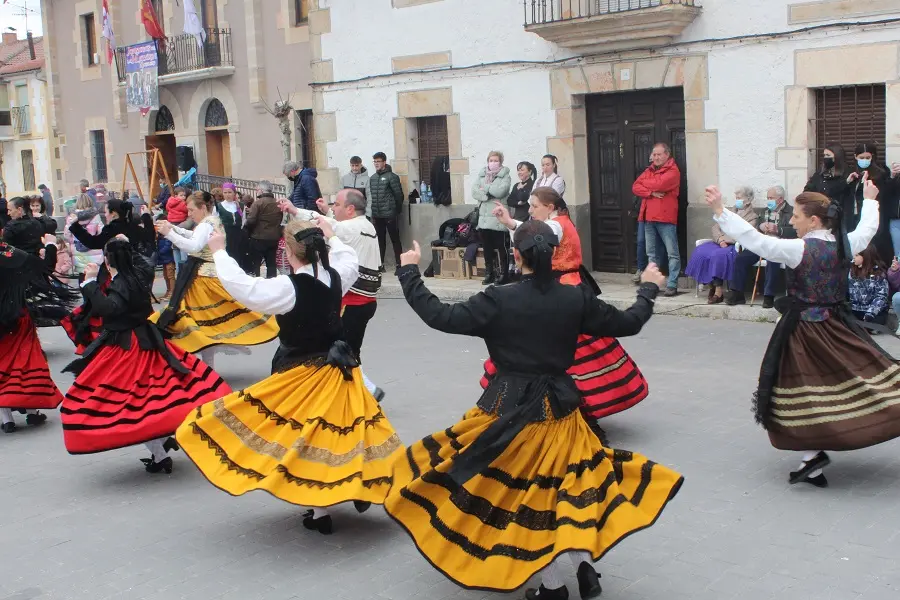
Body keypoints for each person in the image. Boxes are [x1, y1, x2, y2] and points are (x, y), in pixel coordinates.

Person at [385, 224, 683, 599]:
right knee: (565, 491)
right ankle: (584, 570)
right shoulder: (574, 298)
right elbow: (629, 322)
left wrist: (411, 271)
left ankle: (554, 588)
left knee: (531, 499)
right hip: (562, 411)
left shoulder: (498, 298)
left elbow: (440, 317)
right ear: (554, 254)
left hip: (510, 412)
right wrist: (649, 288)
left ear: (516, 255)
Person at [175, 219, 404, 534]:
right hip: (339, 371)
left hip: (302, 373)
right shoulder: (337, 275)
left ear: (287, 251)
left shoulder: (288, 287)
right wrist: (332, 235)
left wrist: (220, 253)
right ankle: (348, 491)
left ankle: (324, 508)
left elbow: (244, 289)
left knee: (305, 438)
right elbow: (349, 256)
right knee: (344, 433)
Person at [704, 175, 900, 487]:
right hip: (837, 327)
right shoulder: (844, 245)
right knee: (831, 386)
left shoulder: (798, 249)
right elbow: (867, 228)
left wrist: (720, 210)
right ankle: (813, 458)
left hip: (805, 334)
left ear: (813, 220)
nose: (792, 221)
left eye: (796, 216)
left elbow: (757, 242)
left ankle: (814, 455)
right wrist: (871, 199)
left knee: (802, 392)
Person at [60, 237, 231, 472]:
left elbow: (109, 308)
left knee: (131, 404)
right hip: (145, 339)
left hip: (128, 347)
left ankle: (160, 453)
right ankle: (162, 443)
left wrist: (89, 283)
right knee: (150, 397)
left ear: (109, 262)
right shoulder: (138, 275)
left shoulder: (121, 282)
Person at [492, 188, 650, 432]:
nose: (532, 210)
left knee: (568, 352)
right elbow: (533, 233)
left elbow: (536, 236)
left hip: (564, 289)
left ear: (550, 207)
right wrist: (511, 222)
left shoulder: (555, 225)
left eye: (535, 206)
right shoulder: (560, 222)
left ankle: (567, 404)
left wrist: (512, 223)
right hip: (569, 287)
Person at [152, 191, 280, 366]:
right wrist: (173, 228)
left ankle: (220, 351)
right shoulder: (210, 221)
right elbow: (194, 237)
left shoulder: (206, 224)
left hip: (204, 278)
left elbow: (193, 245)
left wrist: (169, 233)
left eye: (191, 210)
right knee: (208, 320)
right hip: (205, 275)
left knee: (203, 321)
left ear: (203, 207)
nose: (189, 214)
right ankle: (222, 350)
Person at [282, 191, 386, 401]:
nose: (333, 208)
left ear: (350, 209)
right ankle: (362, 391)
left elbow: (326, 224)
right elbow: (333, 221)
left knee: (340, 349)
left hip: (354, 301)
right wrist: (327, 212)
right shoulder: (365, 224)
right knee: (344, 347)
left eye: (336, 204)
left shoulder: (347, 228)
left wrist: (296, 211)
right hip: (364, 301)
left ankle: (365, 392)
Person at [0, 237, 77, 433]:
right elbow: (43, 270)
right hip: (17, 316)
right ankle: (32, 411)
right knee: (25, 360)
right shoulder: (10, 254)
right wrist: (50, 246)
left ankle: (6, 418)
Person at [62, 199, 156, 354]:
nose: (104, 214)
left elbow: (93, 242)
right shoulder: (132, 225)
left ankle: (106, 339)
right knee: (134, 304)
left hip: (115, 271)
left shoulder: (113, 228)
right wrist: (146, 217)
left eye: (106, 211)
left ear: (113, 213)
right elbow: (149, 237)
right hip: (136, 270)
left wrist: (75, 226)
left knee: (105, 305)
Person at [685, 186, 758, 304]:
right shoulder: (728, 212)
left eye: (739, 198)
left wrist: (727, 240)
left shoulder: (752, 217)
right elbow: (715, 227)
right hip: (720, 242)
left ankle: (718, 291)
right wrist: (720, 239)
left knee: (718, 255)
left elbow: (744, 234)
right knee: (701, 251)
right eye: (736, 197)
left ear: (748, 201)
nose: (737, 200)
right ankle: (711, 285)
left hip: (735, 246)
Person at [726, 186, 795, 307]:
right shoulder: (764, 211)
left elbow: (795, 231)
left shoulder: (791, 212)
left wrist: (778, 230)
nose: (768, 200)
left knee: (772, 259)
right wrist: (760, 227)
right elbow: (755, 229)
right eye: (767, 198)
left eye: (771, 198)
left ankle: (769, 296)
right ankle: (737, 293)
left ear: (780, 199)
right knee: (741, 258)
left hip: (779, 245)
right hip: (762, 243)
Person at [632, 143, 682, 296]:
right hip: (649, 217)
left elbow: (661, 184)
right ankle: (652, 283)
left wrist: (647, 187)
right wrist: (652, 193)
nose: (656, 157)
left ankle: (672, 284)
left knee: (672, 252)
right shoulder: (649, 170)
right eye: (654, 154)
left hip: (666, 217)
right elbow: (635, 186)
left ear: (667, 155)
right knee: (651, 254)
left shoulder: (673, 171)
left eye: (659, 154)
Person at [844, 143, 894, 264]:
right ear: (856, 157)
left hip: (874, 215)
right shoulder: (850, 172)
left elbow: (886, 192)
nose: (865, 160)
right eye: (862, 157)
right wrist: (848, 181)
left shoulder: (881, 173)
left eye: (868, 157)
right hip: (853, 216)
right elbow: (844, 194)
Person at [472, 151, 512, 285]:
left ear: (500, 162)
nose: (493, 163)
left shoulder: (505, 175)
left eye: (496, 160)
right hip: (483, 219)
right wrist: (486, 195)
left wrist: (486, 188)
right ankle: (489, 273)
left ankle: (503, 273)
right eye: (491, 160)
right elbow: (474, 191)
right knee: (487, 249)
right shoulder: (482, 174)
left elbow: (501, 191)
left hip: (498, 217)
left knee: (501, 248)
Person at [365, 152, 404, 274]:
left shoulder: (392, 177)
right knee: (379, 240)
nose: (376, 164)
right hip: (377, 214)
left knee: (395, 239)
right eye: (375, 161)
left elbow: (399, 195)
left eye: (378, 161)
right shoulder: (372, 178)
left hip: (390, 214)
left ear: (384, 162)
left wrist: (396, 210)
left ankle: (400, 265)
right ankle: (380, 265)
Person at [244, 180, 283, 278]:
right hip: (274, 238)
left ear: (261, 190)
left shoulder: (258, 203)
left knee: (256, 264)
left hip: (258, 238)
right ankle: (272, 283)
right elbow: (280, 218)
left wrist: (247, 230)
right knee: (271, 264)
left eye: (257, 189)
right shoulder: (278, 203)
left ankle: (257, 283)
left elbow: (251, 221)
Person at [65, 193, 104, 283]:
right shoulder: (95, 216)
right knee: (95, 279)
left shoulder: (71, 218)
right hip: (94, 253)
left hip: (79, 255)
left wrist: (74, 242)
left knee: (82, 278)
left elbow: (67, 235)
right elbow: (101, 232)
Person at [848, 243, 889, 326]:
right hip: (855, 310)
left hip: (872, 312)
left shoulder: (878, 274)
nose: (854, 257)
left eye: (857, 255)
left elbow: (881, 297)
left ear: (865, 256)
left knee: (873, 323)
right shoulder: (851, 271)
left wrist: (870, 313)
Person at [215, 183, 244, 262]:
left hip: (238, 235)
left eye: (230, 192)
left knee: (238, 255)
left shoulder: (240, 205)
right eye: (225, 192)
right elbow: (215, 221)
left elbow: (244, 221)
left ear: (234, 193)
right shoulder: (219, 206)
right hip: (225, 235)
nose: (227, 195)